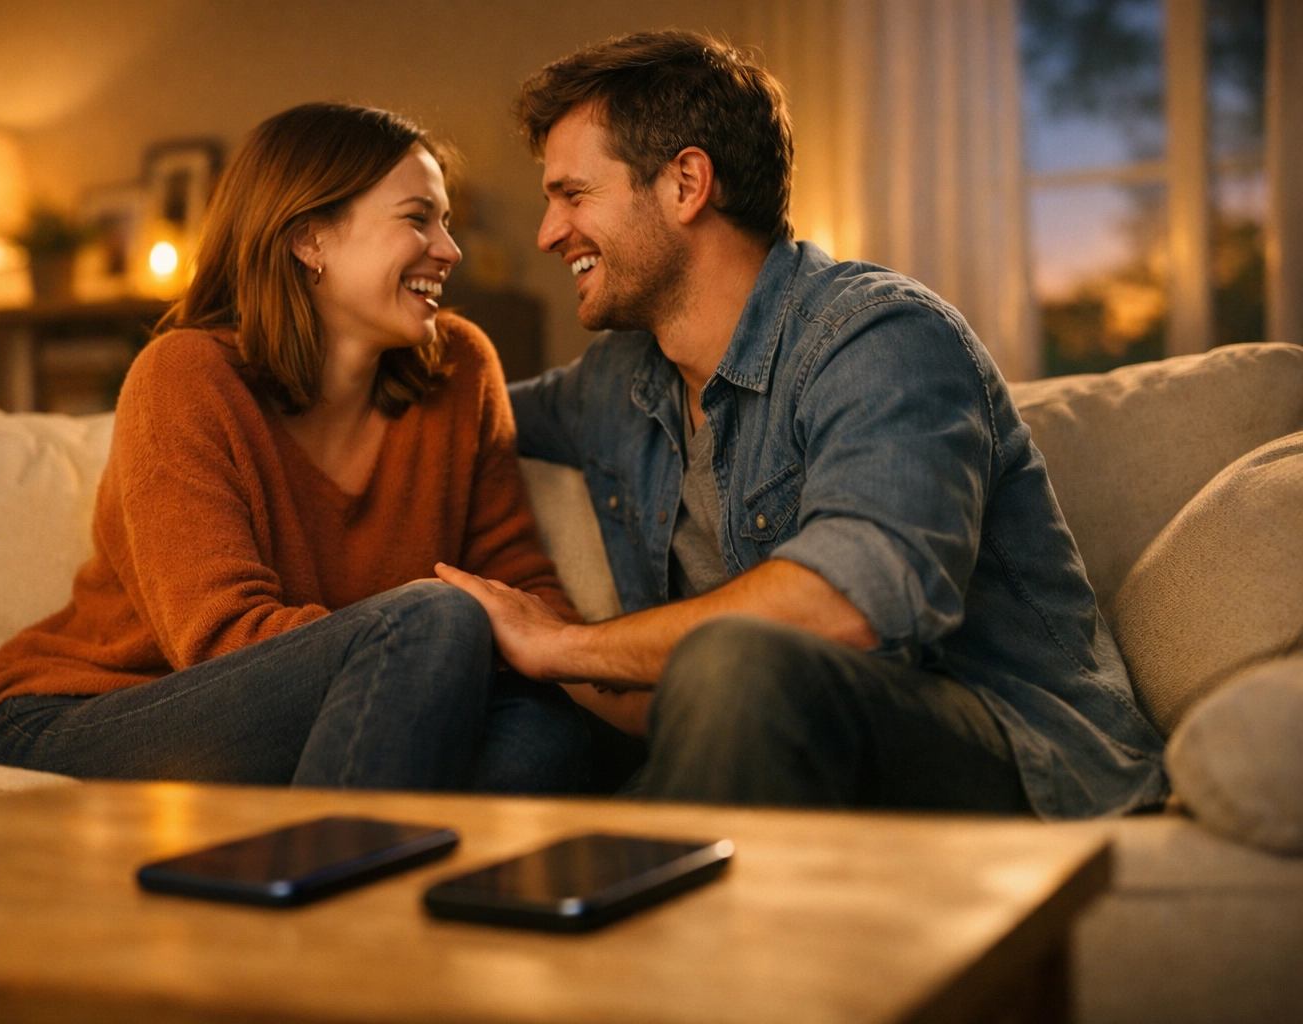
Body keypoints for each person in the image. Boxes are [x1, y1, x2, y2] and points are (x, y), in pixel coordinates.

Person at [436, 31, 1169, 817]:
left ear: (686, 183)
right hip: (765, 757)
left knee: (740, 666)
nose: (548, 232)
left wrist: (560, 646)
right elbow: (463, 407)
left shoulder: (879, 336)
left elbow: (854, 601)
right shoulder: (620, 379)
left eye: (573, 195)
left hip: (1015, 760)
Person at [0, 103, 600, 793]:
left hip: (353, 704)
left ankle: (356, 847)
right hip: (87, 715)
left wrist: (537, 660)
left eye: (445, 222)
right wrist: (432, 648)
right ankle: (343, 876)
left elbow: (525, 592)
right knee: (430, 619)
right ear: (309, 240)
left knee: (563, 724)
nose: (448, 250)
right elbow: (217, 641)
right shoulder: (184, 375)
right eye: (417, 219)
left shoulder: (461, 370)